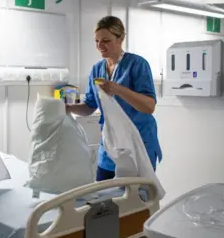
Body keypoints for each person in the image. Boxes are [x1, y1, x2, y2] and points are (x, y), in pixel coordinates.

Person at [66, 15, 162, 182]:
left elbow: (149, 106)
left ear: (120, 39)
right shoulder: (97, 69)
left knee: (136, 199)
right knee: (104, 199)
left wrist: (118, 89)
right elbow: (89, 107)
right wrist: (67, 108)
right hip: (110, 144)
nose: (100, 46)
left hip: (138, 143)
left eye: (106, 40)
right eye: (96, 41)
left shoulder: (137, 65)